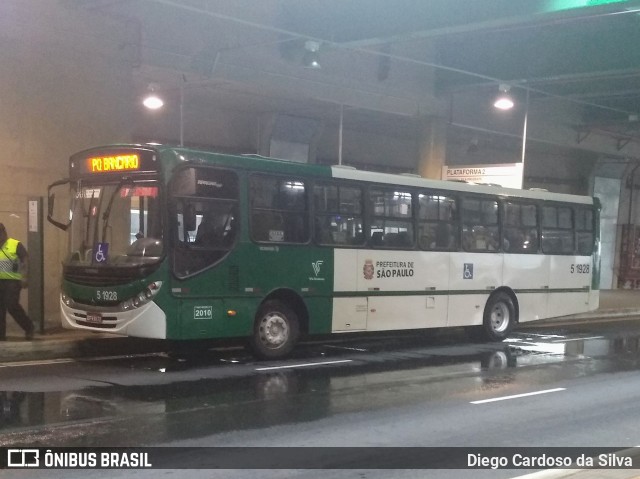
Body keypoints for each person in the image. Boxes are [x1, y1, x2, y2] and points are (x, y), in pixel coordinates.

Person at [0, 223, 34, 340]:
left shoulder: (15, 244)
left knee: (11, 305)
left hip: (13, 281)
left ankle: (28, 327)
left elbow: (25, 259)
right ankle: (1, 335)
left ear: (4, 232)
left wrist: (24, 277)